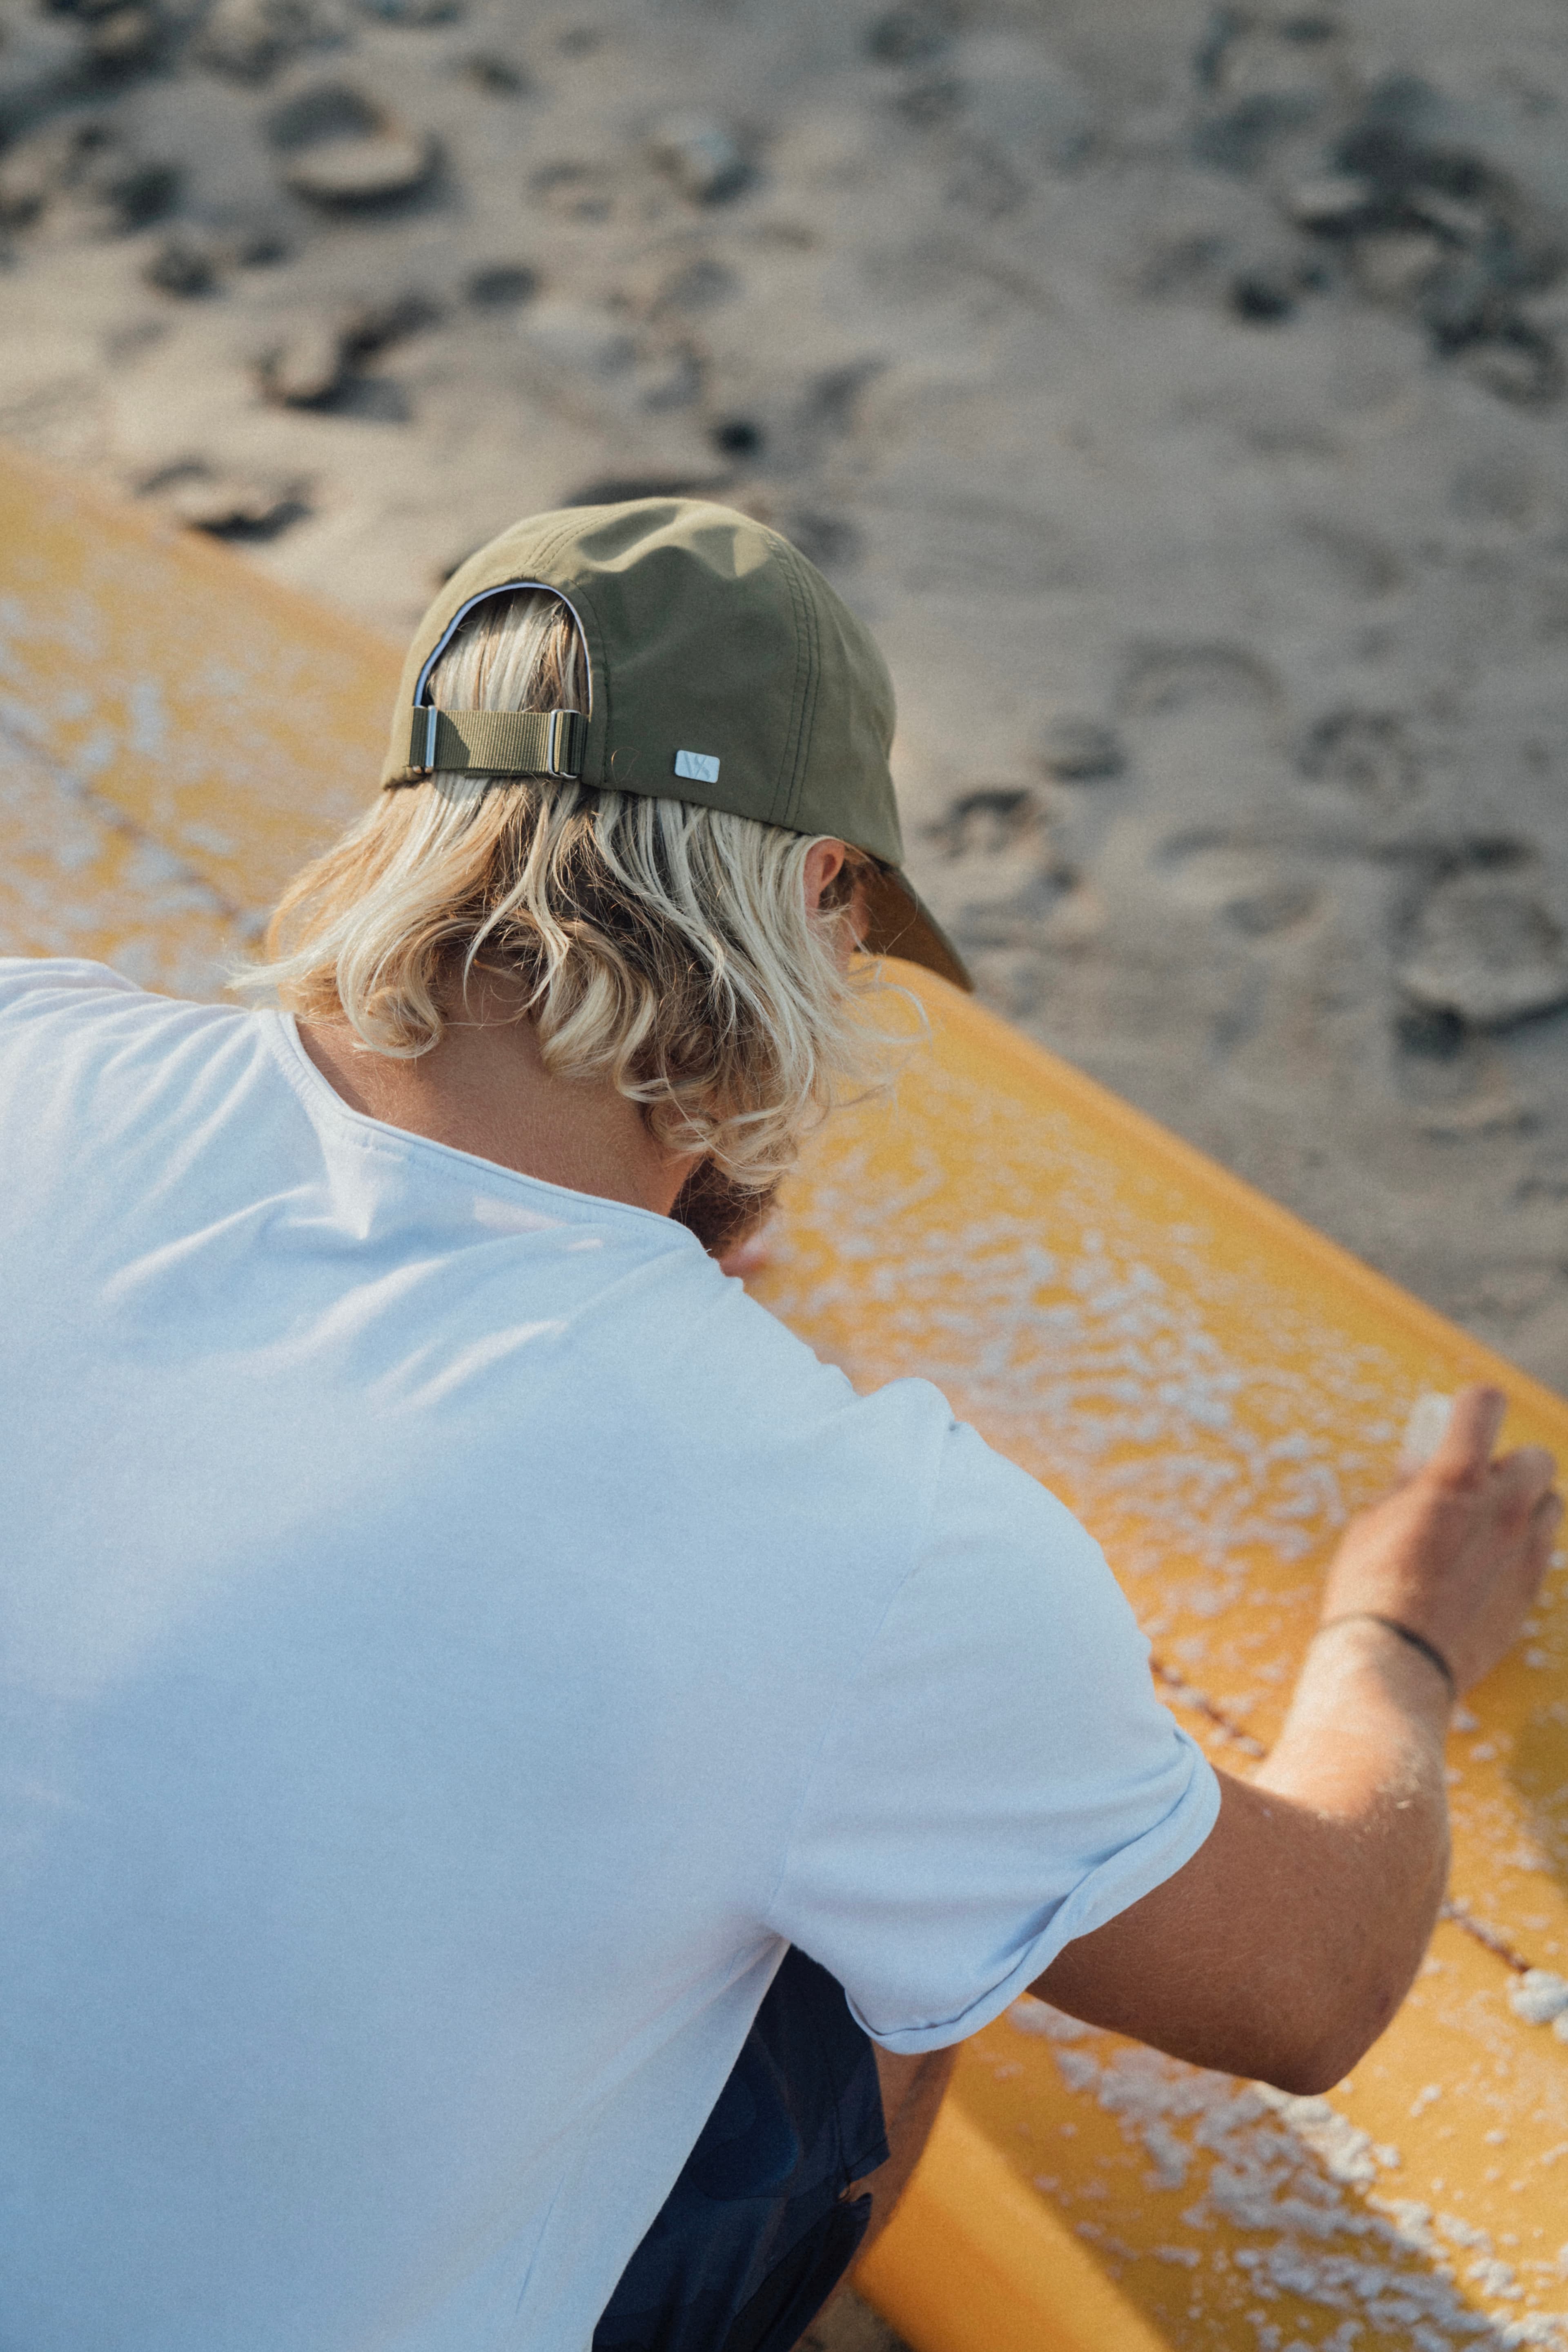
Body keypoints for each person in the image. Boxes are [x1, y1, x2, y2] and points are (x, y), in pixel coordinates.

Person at [0, 499, 1557, 2352]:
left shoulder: (30, 1052)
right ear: (818, 901)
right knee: (894, 1926)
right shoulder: (861, 1544)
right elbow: (1311, 1988)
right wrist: (1398, 1637)